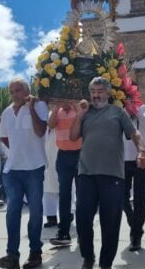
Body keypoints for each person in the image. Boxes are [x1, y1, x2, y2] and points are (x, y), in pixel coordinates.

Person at [69, 77, 145, 269]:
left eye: (100, 91)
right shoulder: (85, 113)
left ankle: (106, 263)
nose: (96, 95)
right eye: (93, 91)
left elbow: (133, 133)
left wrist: (141, 150)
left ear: (108, 92)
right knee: (83, 218)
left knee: (110, 221)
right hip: (86, 173)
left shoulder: (117, 111)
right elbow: (72, 137)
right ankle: (88, 257)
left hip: (112, 174)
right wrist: (79, 115)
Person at [0, 78, 48, 269]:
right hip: (12, 170)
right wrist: (17, 151)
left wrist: (32, 108)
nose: (15, 95)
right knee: (13, 211)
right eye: (12, 91)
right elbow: (3, 136)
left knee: (35, 211)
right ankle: (12, 255)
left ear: (27, 91)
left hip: (34, 167)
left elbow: (41, 131)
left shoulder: (39, 106)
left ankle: (35, 253)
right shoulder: (7, 112)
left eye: (18, 90)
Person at [48, 101, 82, 246]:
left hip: (80, 155)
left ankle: (83, 230)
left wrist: (77, 108)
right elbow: (50, 125)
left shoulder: (79, 109)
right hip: (63, 156)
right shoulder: (57, 110)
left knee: (82, 195)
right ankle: (64, 232)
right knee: (64, 195)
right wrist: (56, 108)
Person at [121, 103, 145, 251]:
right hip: (121, 160)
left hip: (141, 159)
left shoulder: (144, 108)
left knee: (140, 198)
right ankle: (134, 223)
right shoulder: (117, 110)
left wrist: (132, 107)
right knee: (121, 197)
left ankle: (136, 235)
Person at [42, 121, 59, 228]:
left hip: (62, 159)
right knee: (48, 191)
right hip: (47, 162)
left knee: (66, 191)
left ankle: (67, 216)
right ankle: (51, 217)